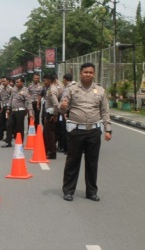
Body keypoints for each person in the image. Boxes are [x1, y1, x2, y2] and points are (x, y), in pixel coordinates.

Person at [59, 63, 112, 202]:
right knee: (72, 162)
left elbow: (105, 111)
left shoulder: (100, 90)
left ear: (94, 74)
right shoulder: (71, 89)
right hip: (76, 131)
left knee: (92, 163)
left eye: (90, 72)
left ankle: (91, 192)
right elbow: (62, 108)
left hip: (94, 132)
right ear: (80, 73)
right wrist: (62, 107)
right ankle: (68, 191)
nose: (88, 74)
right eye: (85, 72)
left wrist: (108, 129)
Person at [2, 77, 33, 148]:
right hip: (13, 111)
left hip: (20, 111)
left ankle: (20, 142)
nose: (16, 83)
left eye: (18, 82)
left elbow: (29, 102)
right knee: (9, 125)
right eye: (16, 82)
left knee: (19, 128)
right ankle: (8, 142)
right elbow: (11, 99)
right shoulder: (14, 89)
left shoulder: (25, 91)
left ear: (22, 83)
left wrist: (30, 112)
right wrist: (8, 108)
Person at [42, 74, 59, 159]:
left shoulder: (52, 90)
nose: (43, 82)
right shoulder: (50, 88)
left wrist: (55, 114)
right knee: (47, 133)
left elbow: (56, 104)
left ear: (49, 80)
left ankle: (52, 152)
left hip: (51, 114)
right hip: (49, 113)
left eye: (44, 80)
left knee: (50, 134)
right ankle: (49, 150)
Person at [0, 76, 12, 141]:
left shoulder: (11, 89)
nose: (3, 82)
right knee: (1, 122)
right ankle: (0, 136)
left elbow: (12, 99)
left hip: (8, 107)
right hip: (3, 107)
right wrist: (1, 107)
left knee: (8, 123)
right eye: (2, 81)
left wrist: (9, 108)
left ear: (8, 81)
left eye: (4, 81)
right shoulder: (1, 89)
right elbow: (1, 99)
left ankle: (8, 137)